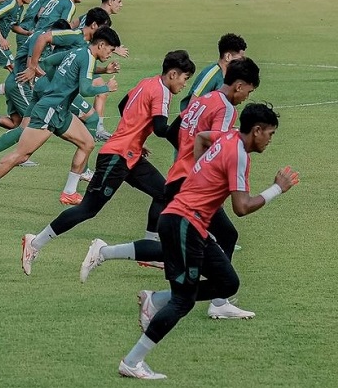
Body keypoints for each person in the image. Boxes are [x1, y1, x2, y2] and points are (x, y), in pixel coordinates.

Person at [118, 103, 299, 379]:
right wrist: (277, 189)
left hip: (191, 223)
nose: (270, 140)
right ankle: (132, 361)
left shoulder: (229, 135)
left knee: (228, 282)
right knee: (183, 301)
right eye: (270, 134)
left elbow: (202, 137)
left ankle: (155, 299)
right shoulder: (239, 155)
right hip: (183, 222)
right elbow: (242, 207)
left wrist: (200, 176)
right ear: (258, 130)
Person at [81, 58, 261, 320]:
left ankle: (106, 252)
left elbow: (177, 131)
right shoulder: (226, 110)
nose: (247, 97)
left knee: (179, 247)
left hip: (179, 177)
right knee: (224, 237)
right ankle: (209, 301)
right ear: (240, 85)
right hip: (193, 184)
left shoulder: (202, 100)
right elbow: (218, 148)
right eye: (249, 91)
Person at [19, 50, 196, 275]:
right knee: (88, 209)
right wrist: (185, 117)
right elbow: (162, 130)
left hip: (130, 155)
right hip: (118, 156)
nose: (184, 84)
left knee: (164, 193)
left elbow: (124, 105)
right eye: (184, 78)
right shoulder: (162, 92)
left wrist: (135, 135)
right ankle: (34, 244)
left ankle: (150, 251)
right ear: (173, 74)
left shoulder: (147, 82)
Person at [0, 26, 121, 218]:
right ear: (101, 44)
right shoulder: (86, 57)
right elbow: (86, 89)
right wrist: (107, 87)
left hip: (61, 111)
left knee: (87, 143)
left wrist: (55, 83)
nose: (110, 53)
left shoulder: (77, 52)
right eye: (110, 49)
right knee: (21, 155)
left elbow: (48, 62)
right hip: (49, 110)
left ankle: (69, 192)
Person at [72, 0, 129, 141]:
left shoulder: (94, 13)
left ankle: (96, 127)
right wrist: (115, 49)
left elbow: (75, 23)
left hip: (82, 59)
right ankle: (95, 127)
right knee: (98, 90)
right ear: (110, 1)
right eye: (119, 1)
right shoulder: (99, 17)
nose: (121, 5)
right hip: (81, 60)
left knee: (100, 91)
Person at [178, 33, 247, 111]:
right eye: (240, 58)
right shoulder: (211, 75)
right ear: (228, 56)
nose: (242, 62)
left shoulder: (228, 76)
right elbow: (193, 104)